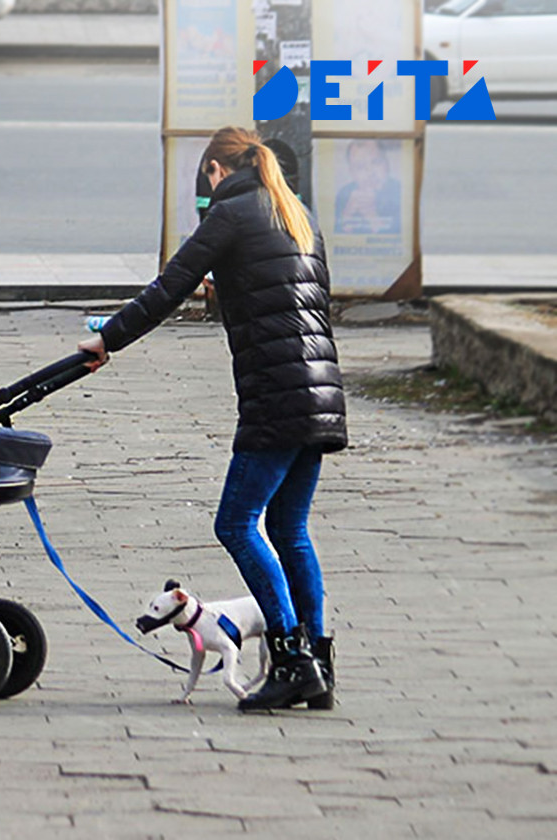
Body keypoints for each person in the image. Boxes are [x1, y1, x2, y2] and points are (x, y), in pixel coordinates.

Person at [79, 126, 347, 712]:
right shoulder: (294, 213)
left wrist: (108, 340)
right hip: (320, 394)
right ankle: (318, 664)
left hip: (275, 396)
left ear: (216, 172)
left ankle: (291, 659)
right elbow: (299, 299)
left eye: (205, 184)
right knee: (290, 531)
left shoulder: (229, 215)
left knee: (235, 523)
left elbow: (167, 288)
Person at [334, 139, 401, 235]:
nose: (370, 172)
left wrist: (373, 218)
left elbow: (400, 243)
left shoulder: (400, 192)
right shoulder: (344, 195)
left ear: (387, 163)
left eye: (376, 162)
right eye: (360, 167)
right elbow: (333, 241)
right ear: (352, 172)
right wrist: (347, 216)